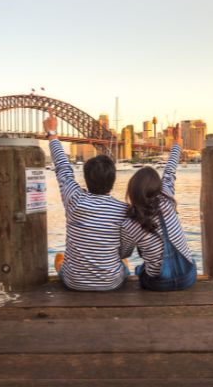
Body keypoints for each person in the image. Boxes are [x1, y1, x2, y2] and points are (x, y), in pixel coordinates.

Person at [44, 111, 129, 291]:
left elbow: (63, 168)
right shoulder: (123, 209)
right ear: (112, 181)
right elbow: (125, 247)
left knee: (60, 258)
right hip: (111, 283)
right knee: (124, 260)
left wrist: (52, 133)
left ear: (86, 178)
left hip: (74, 282)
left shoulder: (74, 200)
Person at [119, 126, 197, 291]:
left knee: (140, 270)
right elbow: (170, 171)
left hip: (158, 284)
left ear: (133, 191)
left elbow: (124, 254)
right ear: (158, 186)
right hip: (188, 278)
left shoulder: (130, 223)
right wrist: (177, 143)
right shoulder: (167, 198)